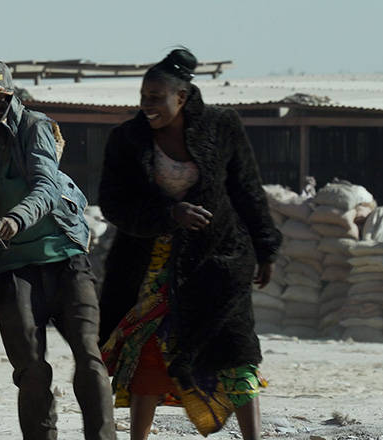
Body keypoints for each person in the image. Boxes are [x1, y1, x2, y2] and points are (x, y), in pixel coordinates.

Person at [97, 48, 281, 440]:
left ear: (181, 97)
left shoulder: (222, 127)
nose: (146, 105)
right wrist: (169, 214)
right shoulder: (127, 140)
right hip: (149, 265)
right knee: (149, 353)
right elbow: (115, 203)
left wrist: (266, 248)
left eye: (156, 97)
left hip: (216, 261)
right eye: (143, 96)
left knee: (236, 352)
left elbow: (246, 189)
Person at [0, 58, 115, 440]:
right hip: (12, 266)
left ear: (9, 101)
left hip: (64, 257)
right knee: (29, 369)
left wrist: (15, 218)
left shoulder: (34, 126)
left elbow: (45, 185)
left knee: (90, 358)